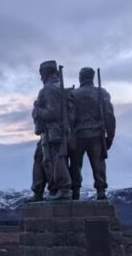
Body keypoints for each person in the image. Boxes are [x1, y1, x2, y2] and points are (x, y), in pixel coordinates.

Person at [70, 67, 116, 200]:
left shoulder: (73, 94)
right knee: (98, 163)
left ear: (80, 77)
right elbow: (109, 116)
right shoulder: (101, 93)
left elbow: (70, 118)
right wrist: (110, 137)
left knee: (75, 164)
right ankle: (101, 191)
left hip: (78, 135)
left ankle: (75, 191)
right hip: (96, 134)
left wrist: (69, 136)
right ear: (92, 77)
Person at [32, 60, 73, 201]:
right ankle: (39, 192)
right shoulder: (58, 87)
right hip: (52, 132)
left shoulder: (49, 90)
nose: (41, 77)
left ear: (46, 73)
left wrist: (37, 110)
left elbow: (53, 114)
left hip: (54, 131)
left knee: (56, 160)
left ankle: (63, 189)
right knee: (40, 158)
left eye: (41, 74)